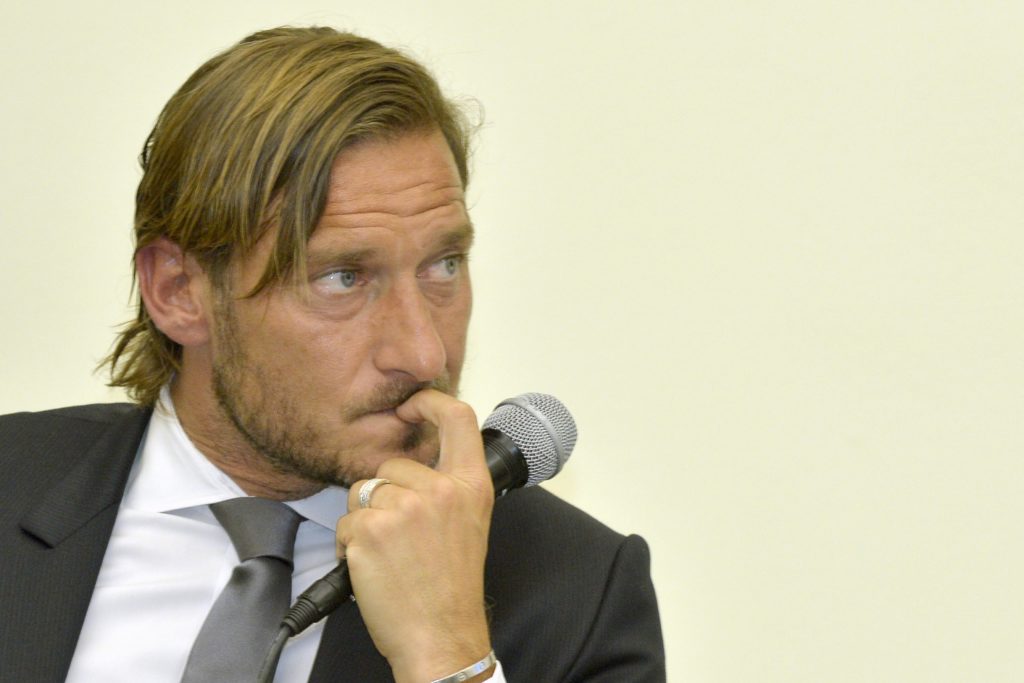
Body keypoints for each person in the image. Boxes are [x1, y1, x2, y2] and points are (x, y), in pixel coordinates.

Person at [0, 26, 665, 682]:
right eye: (343, 278)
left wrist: (449, 657)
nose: (423, 352)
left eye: (444, 265)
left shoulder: (580, 597)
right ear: (179, 291)